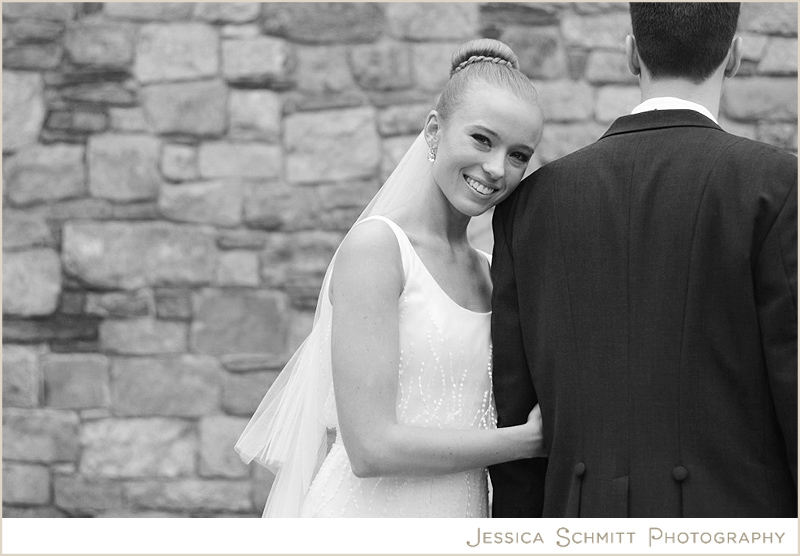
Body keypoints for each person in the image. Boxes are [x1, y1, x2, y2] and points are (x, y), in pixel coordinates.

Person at [490, 2, 797, 518]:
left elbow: (516, 416)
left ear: (631, 54)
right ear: (736, 56)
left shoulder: (529, 206)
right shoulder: (776, 187)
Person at [236, 39, 546, 517]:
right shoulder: (378, 250)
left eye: (518, 155)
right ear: (433, 131)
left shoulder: (491, 272)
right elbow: (370, 448)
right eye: (482, 140)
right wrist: (524, 442)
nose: (496, 168)